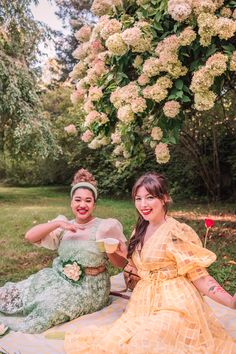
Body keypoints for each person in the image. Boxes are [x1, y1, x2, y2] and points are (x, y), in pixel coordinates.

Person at [64, 172, 236, 354]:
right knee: (119, 341)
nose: (143, 205)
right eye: (138, 198)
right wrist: (123, 254)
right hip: (144, 301)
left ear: (164, 199)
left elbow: (199, 276)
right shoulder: (140, 228)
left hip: (174, 301)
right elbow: (143, 268)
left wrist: (230, 302)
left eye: (150, 197)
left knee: (147, 342)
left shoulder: (177, 232)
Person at [0, 169, 127, 333]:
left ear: (94, 204)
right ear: (71, 202)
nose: (82, 205)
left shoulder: (105, 226)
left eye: (88, 200)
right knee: (14, 293)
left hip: (90, 289)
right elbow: (30, 236)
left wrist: (109, 249)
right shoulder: (63, 225)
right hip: (58, 279)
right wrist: (58, 224)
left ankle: (9, 327)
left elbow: (122, 263)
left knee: (48, 306)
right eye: (78, 200)